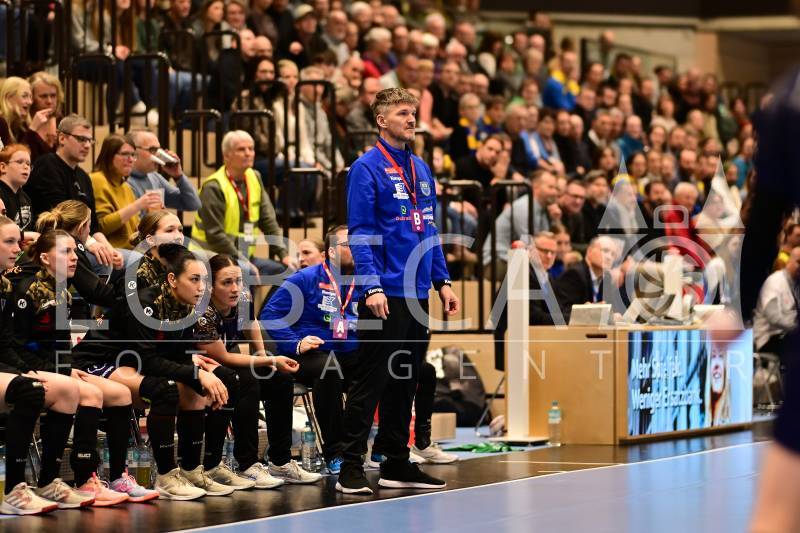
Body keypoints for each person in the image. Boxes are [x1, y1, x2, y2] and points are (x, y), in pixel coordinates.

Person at [337, 88, 459, 495]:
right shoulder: (365, 168)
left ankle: (395, 462)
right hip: (384, 291)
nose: (411, 119)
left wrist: (442, 281)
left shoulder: (420, 168)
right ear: (381, 120)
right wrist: (370, 285)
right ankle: (349, 465)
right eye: (403, 113)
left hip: (418, 291)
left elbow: (430, 229)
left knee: (405, 380)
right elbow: (360, 233)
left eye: (413, 113)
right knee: (371, 381)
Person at [70, 243, 235, 500]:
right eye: (194, 279)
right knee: (166, 389)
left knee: (195, 390)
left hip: (130, 362)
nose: (201, 287)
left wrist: (198, 375)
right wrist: (197, 373)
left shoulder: (188, 306)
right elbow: (148, 361)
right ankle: (166, 476)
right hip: (98, 360)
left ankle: (191, 470)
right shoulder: (145, 303)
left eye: (204, 280)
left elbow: (177, 355)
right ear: (172, 279)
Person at [11, 230, 152, 505]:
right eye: (66, 252)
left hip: (55, 365)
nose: (74, 257)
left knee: (121, 394)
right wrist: (59, 370)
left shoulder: (62, 290)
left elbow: (62, 343)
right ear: (45, 258)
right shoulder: (28, 290)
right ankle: (82, 478)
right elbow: (18, 346)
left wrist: (66, 367)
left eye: (75, 252)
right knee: (90, 394)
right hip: (29, 366)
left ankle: (117, 476)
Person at [194, 254, 312, 488]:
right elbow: (223, 357)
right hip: (202, 366)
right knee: (246, 379)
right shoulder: (202, 311)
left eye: (238, 281)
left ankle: (280, 461)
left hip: (226, 364)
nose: (235, 288)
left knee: (279, 378)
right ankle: (247, 464)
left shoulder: (242, 298)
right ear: (211, 286)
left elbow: (252, 323)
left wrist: (264, 357)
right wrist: (269, 359)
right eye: (227, 282)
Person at [0, 215, 91, 514]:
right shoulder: (25, 289)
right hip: (14, 364)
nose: (18, 248)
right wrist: (25, 370)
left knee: (68, 390)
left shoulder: (6, 285)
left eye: (17, 241)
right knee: (30, 389)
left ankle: (49, 481)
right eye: (9, 242)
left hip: (11, 364)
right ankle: (13, 488)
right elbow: (19, 343)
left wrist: (27, 370)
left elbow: (7, 343)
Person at [261, 225, 360, 474]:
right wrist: (296, 342)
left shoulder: (363, 280)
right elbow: (270, 314)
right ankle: (335, 452)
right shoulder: (304, 279)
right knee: (329, 368)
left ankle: (376, 447)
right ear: (331, 252)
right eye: (349, 244)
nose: (357, 248)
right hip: (310, 354)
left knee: (382, 367)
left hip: (348, 351)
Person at [24, 114, 118, 272]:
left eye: (90, 141)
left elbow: (94, 225)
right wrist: (91, 243)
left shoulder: (84, 176)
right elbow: (60, 219)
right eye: (81, 139)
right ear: (62, 138)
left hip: (82, 242)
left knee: (130, 260)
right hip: (56, 244)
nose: (87, 145)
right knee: (104, 263)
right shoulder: (47, 165)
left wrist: (108, 248)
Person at [194, 130, 293, 279]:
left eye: (251, 149)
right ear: (226, 155)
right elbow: (215, 236)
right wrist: (243, 261)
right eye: (241, 149)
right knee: (247, 272)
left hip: (243, 256)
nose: (248, 153)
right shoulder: (213, 186)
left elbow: (268, 221)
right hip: (212, 257)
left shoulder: (254, 177)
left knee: (288, 271)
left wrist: (283, 254)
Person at [91, 134, 164, 251]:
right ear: (109, 156)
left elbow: (135, 232)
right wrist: (137, 205)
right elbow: (102, 227)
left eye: (133, 155)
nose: (130, 160)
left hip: (133, 249)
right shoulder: (97, 179)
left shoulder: (126, 187)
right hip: (112, 250)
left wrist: (154, 218)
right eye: (125, 154)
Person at [126, 130, 201, 215]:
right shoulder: (123, 181)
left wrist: (178, 176)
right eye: (153, 150)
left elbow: (193, 204)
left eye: (159, 150)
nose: (158, 155)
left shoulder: (154, 177)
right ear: (133, 151)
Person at [554, 235, 622, 321]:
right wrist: (591, 312)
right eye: (605, 251)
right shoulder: (574, 274)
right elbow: (564, 312)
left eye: (613, 254)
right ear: (589, 251)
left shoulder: (607, 278)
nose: (609, 257)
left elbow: (612, 309)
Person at [752, 246, 800, 358]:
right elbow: (774, 318)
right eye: (798, 262)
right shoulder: (775, 282)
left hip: (786, 336)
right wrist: (797, 328)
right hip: (769, 338)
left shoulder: (796, 284)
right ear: (789, 261)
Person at [132, 210, 185, 290]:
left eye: (180, 230)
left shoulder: (185, 264)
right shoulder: (139, 277)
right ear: (151, 240)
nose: (179, 236)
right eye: (169, 230)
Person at [0, 144, 37, 244]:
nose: (26, 167)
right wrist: (24, 236)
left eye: (28, 164)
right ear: (3, 167)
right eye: (20, 162)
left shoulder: (25, 198)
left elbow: (30, 228)